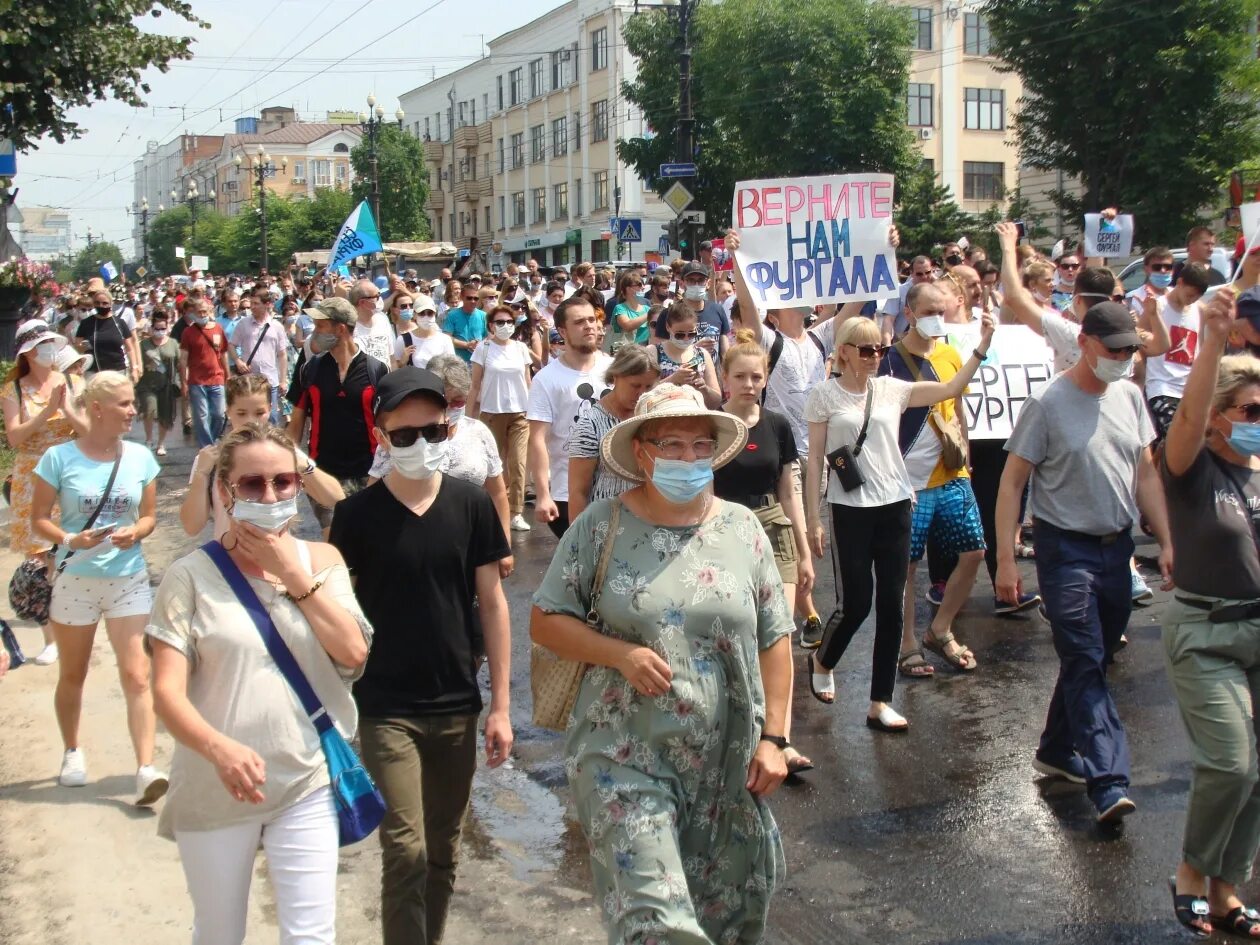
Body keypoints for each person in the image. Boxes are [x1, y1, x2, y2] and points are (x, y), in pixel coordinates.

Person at [531, 383, 792, 945]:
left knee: (723, 914)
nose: (687, 457)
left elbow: (775, 638)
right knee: (657, 921)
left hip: (725, 764)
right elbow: (546, 619)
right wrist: (617, 653)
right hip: (622, 756)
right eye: (671, 443)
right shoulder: (600, 526)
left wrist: (776, 737)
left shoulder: (744, 530)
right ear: (642, 453)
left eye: (700, 444)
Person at [149, 423, 372, 945]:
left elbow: (354, 651)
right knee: (219, 933)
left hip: (306, 779)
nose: (270, 495)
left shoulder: (323, 562)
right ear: (225, 490)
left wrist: (290, 574)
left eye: (283, 482)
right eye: (252, 485)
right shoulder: (189, 577)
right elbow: (165, 691)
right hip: (216, 784)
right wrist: (217, 748)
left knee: (311, 936)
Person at [330, 366, 513, 945]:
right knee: (405, 849)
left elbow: (493, 604)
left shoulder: (470, 505)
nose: (419, 445)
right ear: (381, 434)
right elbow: (335, 609)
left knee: (443, 851)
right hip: (385, 705)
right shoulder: (355, 516)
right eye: (404, 436)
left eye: (431, 433)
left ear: (449, 430)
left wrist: (502, 706)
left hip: (457, 702)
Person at [995, 301, 1173, 824]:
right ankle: (1108, 780)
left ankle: (1055, 748)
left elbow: (1145, 474)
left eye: (1131, 350)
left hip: (1116, 550)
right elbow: (1011, 483)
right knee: (1084, 657)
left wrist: (1166, 540)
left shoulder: (1131, 396)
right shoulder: (1047, 403)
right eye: (1117, 350)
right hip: (1064, 550)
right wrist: (1007, 561)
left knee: (1090, 659)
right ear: (1087, 344)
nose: (1126, 359)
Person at [804, 313, 994, 732]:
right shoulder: (824, 396)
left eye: (881, 350)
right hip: (849, 509)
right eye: (867, 350)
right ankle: (823, 659)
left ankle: (880, 700)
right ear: (846, 353)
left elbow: (950, 388)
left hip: (895, 505)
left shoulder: (893, 390)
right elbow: (815, 459)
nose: (875, 357)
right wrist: (812, 518)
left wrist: (982, 346)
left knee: (891, 604)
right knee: (856, 603)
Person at [1155, 289, 1260, 935]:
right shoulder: (1188, 466)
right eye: (1250, 408)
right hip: (1204, 631)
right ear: (1219, 416)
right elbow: (1187, 414)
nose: (1259, 417)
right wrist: (1215, 338)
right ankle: (1192, 869)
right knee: (1230, 762)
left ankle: (1228, 886)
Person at [30, 371, 167, 804]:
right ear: (96, 409)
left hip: (128, 577)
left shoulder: (141, 457)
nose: (133, 410)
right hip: (75, 579)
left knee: (137, 674)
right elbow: (39, 519)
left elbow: (149, 517)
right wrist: (70, 539)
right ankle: (72, 752)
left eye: (132, 402)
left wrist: (136, 532)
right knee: (74, 673)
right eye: (125, 404)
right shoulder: (58, 458)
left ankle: (145, 768)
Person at [714, 328, 816, 775]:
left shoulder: (778, 425)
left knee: (779, 636)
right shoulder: (710, 424)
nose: (750, 384)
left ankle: (781, 738)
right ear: (725, 378)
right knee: (732, 635)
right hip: (722, 534)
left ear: (766, 376)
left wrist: (805, 547)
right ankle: (735, 729)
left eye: (757, 376)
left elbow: (789, 490)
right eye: (741, 376)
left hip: (774, 530)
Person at [879, 283, 986, 676]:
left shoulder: (950, 353)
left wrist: (967, 457)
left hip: (952, 474)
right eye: (928, 310)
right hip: (908, 481)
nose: (936, 318)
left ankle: (939, 629)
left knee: (974, 552)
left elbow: (957, 407)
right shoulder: (887, 361)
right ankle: (907, 643)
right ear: (909, 312)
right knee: (907, 567)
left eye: (941, 310)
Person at [368, 355, 513, 574]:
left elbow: (498, 493)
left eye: (459, 401)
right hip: (412, 550)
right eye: (446, 401)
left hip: (473, 550)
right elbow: (373, 495)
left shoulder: (479, 433)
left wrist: (504, 546)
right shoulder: (401, 441)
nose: (453, 407)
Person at [2, 321, 87, 666]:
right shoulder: (14, 391)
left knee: (69, 551)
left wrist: (65, 410)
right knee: (39, 559)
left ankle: (76, 623)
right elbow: (14, 438)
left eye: (52, 343)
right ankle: (51, 637)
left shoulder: (73, 382)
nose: (49, 350)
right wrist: (47, 413)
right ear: (28, 353)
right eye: (42, 345)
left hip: (69, 472)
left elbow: (88, 429)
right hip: (31, 477)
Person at [181, 373, 345, 541]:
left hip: (277, 558)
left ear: (270, 408)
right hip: (229, 560)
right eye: (241, 413)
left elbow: (335, 499)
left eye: (259, 413)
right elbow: (191, 526)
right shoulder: (210, 460)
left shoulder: (285, 453)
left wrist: (303, 465)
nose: (251, 421)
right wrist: (201, 474)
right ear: (228, 411)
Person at [287, 298, 389, 536]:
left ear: (340, 329)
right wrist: (290, 463)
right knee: (336, 541)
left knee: (368, 540)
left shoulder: (377, 370)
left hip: (369, 473)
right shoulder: (309, 370)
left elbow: (386, 423)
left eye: (321, 326)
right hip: (323, 471)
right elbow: (297, 422)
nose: (315, 333)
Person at [527, 296, 613, 538]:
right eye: (579, 322)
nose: (589, 326)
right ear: (562, 331)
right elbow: (537, 440)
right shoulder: (546, 379)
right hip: (567, 493)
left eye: (591, 319)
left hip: (616, 489)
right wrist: (543, 494)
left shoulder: (616, 369)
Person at [566, 344, 659, 521]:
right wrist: (577, 542)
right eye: (635, 385)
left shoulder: (652, 416)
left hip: (649, 519)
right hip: (607, 520)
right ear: (616, 377)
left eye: (648, 386)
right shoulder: (590, 424)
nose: (641, 393)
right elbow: (578, 492)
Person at [470, 304, 533, 532]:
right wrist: (469, 419)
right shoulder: (483, 349)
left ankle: (516, 512)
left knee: (518, 463)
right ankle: (492, 508)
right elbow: (475, 385)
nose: (505, 326)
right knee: (493, 464)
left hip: (520, 413)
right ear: (490, 326)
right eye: (500, 322)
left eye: (509, 322)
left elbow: (528, 381)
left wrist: (535, 411)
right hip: (492, 412)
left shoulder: (520, 348)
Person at [1144, 263, 1213, 443]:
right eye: (1190, 295)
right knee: (1176, 438)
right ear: (1180, 282)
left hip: (1189, 389)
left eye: (1197, 296)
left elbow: (1201, 348)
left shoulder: (1200, 310)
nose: (1192, 300)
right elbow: (1140, 339)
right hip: (1161, 386)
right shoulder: (1157, 306)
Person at [231, 284, 289, 425]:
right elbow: (231, 345)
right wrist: (238, 361)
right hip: (249, 380)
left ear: (267, 304)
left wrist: (283, 380)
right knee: (250, 419)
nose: (252, 307)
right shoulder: (243, 324)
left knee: (272, 417)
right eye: (251, 303)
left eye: (256, 304)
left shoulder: (277, 326)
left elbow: (282, 354)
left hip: (270, 380)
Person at [647, 302, 722, 410]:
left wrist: (704, 388)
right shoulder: (653, 352)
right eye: (680, 335)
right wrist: (673, 379)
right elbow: (642, 394)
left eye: (691, 334)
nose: (686, 339)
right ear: (668, 327)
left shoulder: (702, 354)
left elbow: (716, 401)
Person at [652, 260, 731, 363]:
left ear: (708, 283)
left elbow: (725, 351)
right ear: (681, 283)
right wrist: (695, 348)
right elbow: (660, 354)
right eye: (691, 280)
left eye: (701, 280)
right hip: (681, 375)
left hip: (713, 375)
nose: (696, 284)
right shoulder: (668, 314)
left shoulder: (717, 309)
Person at [179, 296, 230, 449]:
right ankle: (206, 447)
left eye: (204, 311)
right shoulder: (188, 332)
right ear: (193, 313)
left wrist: (227, 374)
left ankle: (212, 441)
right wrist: (183, 382)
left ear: (210, 311)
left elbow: (224, 353)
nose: (202, 315)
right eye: (199, 312)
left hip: (217, 377)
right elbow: (183, 360)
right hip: (197, 380)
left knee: (219, 414)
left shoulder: (218, 329)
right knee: (201, 417)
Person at [136, 312, 180, 456]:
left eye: (162, 328)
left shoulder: (173, 344)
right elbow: (137, 362)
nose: (159, 331)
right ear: (151, 328)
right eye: (157, 328)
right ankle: (148, 440)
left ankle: (161, 443)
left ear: (167, 328)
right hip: (147, 384)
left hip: (166, 384)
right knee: (150, 409)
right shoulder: (144, 344)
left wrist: (182, 382)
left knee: (164, 415)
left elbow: (180, 363)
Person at [77, 288, 140, 382]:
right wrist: (83, 347)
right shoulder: (86, 323)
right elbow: (77, 346)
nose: (101, 306)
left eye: (104, 303)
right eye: (97, 303)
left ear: (111, 304)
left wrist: (134, 368)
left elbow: (130, 349)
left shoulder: (120, 323)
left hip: (117, 372)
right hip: (93, 372)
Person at [393, 294, 455, 369]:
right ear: (414, 315)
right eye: (421, 313)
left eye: (430, 313)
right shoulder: (403, 340)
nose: (426, 317)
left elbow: (452, 368)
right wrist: (402, 362)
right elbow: (395, 370)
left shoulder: (445, 339)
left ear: (434, 314)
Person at [348, 280, 394, 366]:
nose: (380, 299)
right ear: (362, 302)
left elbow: (391, 357)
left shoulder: (382, 320)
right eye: (376, 296)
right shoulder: (348, 328)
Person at [444, 283, 487, 363]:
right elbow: (447, 338)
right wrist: (466, 345)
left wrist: (479, 344)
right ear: (461, 297)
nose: (473, 301)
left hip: (478, 362)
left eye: (476, 298)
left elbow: (488, 338)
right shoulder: (452, 315)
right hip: (458, 363)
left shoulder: (483, 316)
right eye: (469, 298)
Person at [609, 270, 650, 349]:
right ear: (628, 289)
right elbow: (627, 326)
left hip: (644, 352)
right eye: (639, 285)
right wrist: (649, 314)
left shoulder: (647, 308)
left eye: (643, 284)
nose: (643, 287)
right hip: (626, 353)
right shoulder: (620, 308)